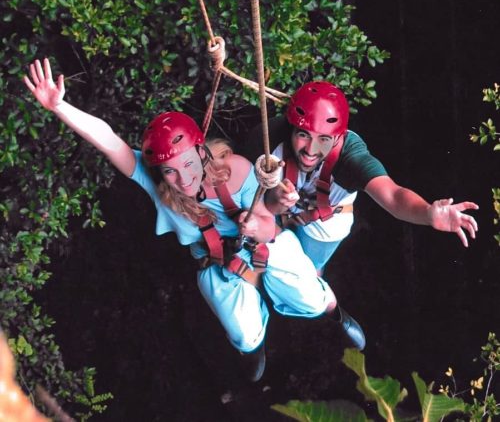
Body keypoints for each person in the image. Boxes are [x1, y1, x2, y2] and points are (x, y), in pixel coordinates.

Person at [23, 60, 366, 384]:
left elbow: (271, 219)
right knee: (243, 333)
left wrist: (259, 225)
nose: (182, 177)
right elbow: (111, 143)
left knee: (309, 296)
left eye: (187, 163)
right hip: (218, 264)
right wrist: (59, 107)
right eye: (170, 170)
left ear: (202, 153)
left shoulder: (238, 171)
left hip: (264, 244)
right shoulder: (159, 186)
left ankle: (334, 312)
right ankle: (254, 346)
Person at [242, 81, 479, 328]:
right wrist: (272, 202)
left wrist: (427, 213)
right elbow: (243, 189)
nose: (311, 149)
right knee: (262, 255)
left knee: (309, 271)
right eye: (303, 135)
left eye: (323, 139)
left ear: (338, 137)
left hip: (325, 222)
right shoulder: (267, 140)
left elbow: (393, 195)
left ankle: (323, 304)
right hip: (277, 210)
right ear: (291, 127)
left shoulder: (350, 157)